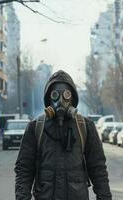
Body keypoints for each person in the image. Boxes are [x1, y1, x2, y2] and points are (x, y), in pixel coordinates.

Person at [15, 70, 112, 200]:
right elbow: (24, 169)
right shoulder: (36, 127)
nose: (60, 100)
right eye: (55, 95)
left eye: (66, 95)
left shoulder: (85, 126)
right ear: (49, 98)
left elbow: (98, 168)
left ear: (72, 98)